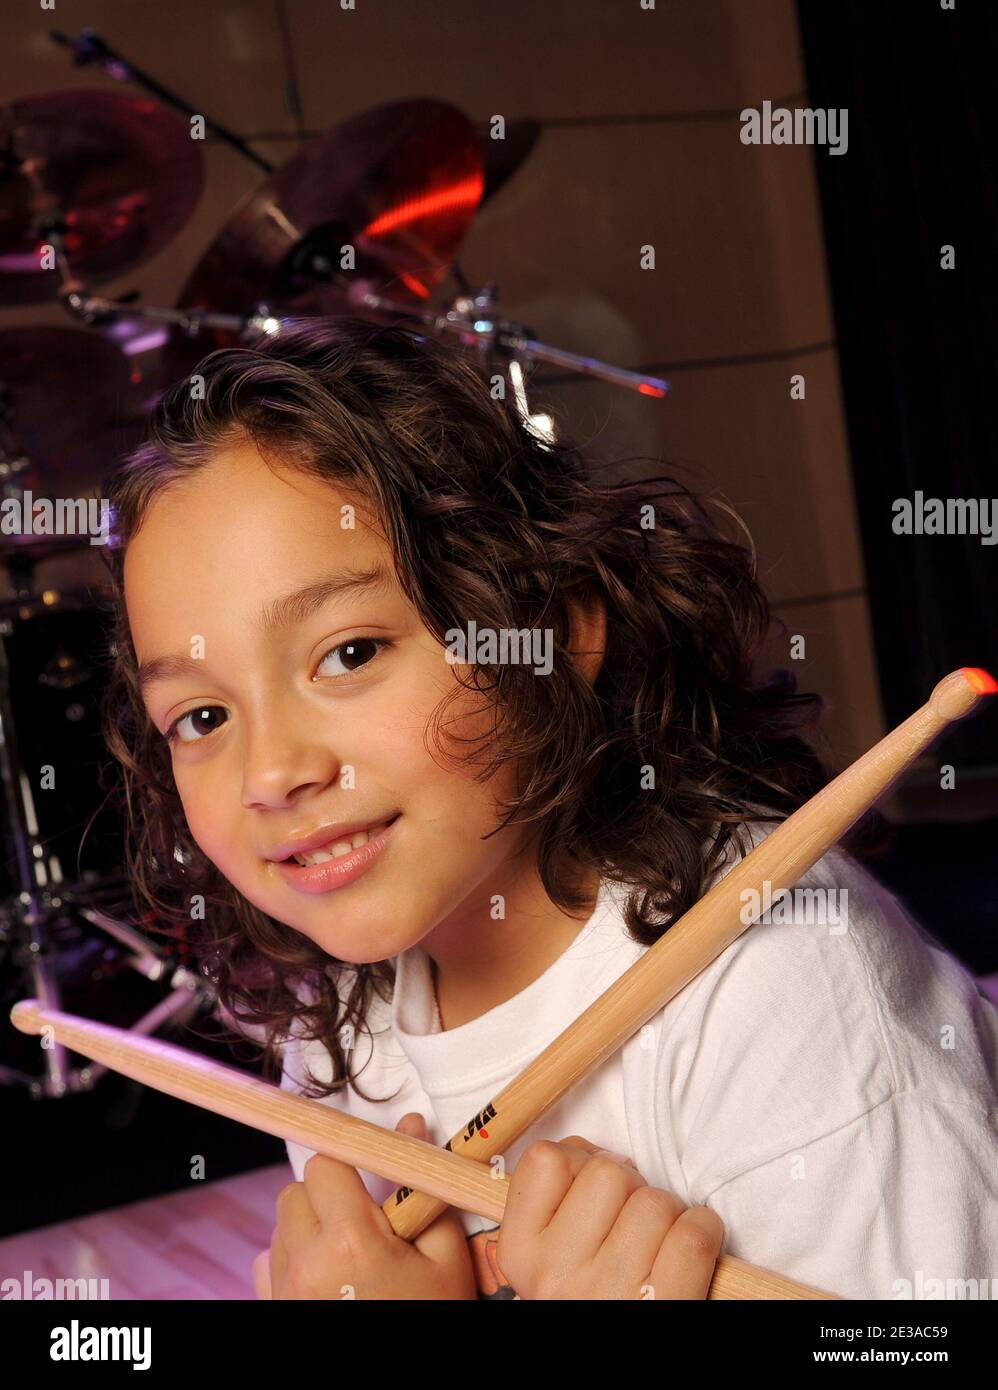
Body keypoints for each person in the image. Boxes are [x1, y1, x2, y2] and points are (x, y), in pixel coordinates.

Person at [101, 318, 997, 1300]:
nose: (272, 773)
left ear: (553, 634)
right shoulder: (336, 1035)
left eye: (349, 654)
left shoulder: (781, 989)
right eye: (201, 716)